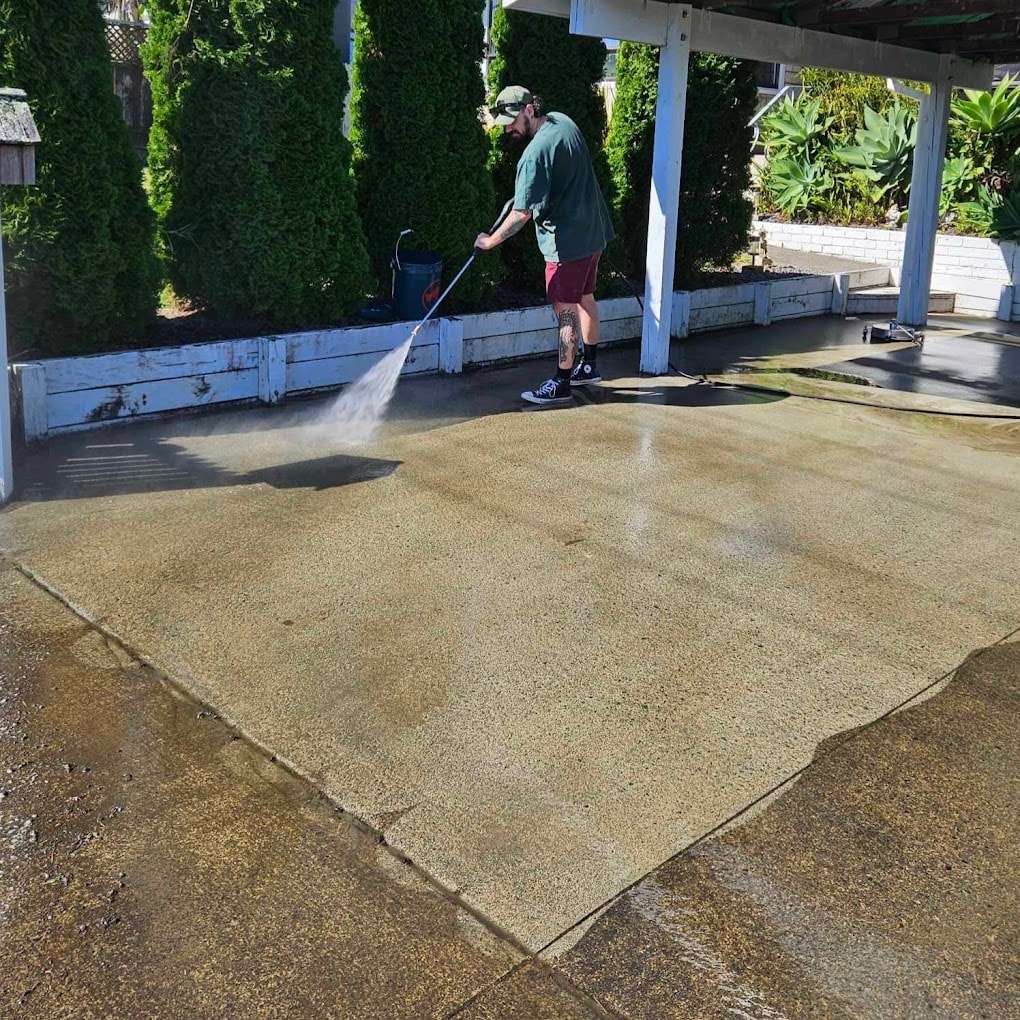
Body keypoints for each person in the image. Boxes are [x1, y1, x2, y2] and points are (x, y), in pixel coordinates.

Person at [474, 85, 615, 406]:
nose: (508, 129)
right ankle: (589, 365)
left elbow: (521, 214)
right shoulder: (562, 122)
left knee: (566, 311)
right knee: (585, 298)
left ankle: (562, 382)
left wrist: (489, 241)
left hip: (566, 245)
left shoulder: (534, 155)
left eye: (512, 121)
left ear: (529, 109)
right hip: (593, 233)